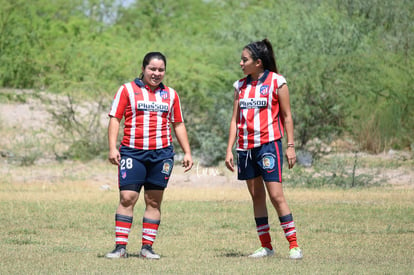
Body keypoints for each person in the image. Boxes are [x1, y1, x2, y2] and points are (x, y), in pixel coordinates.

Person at [105, 52, 193, 259]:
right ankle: (120, 247)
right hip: (132, 152)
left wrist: (187, 151)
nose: (156, 73)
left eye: (161, 70)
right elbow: (115, 118)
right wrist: (112, 147)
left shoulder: (171, 94)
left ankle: (147, 248)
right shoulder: (127, 90)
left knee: (153, 201)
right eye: (152, 69)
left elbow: (178, 123)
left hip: (162, 155)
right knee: (128, 197)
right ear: (144, 68)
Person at [225, 39, 303, 260]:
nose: (241, 63)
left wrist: (290, 146)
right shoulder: (239, 86)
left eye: (245, 59)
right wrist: (229, 149)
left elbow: (287, 116)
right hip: (245, 149)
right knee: (256, 196)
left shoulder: (278, 82)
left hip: (269, 145)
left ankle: (294, 246)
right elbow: (234, 120)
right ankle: (266, 246)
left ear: (258, 62)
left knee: (276, 196)